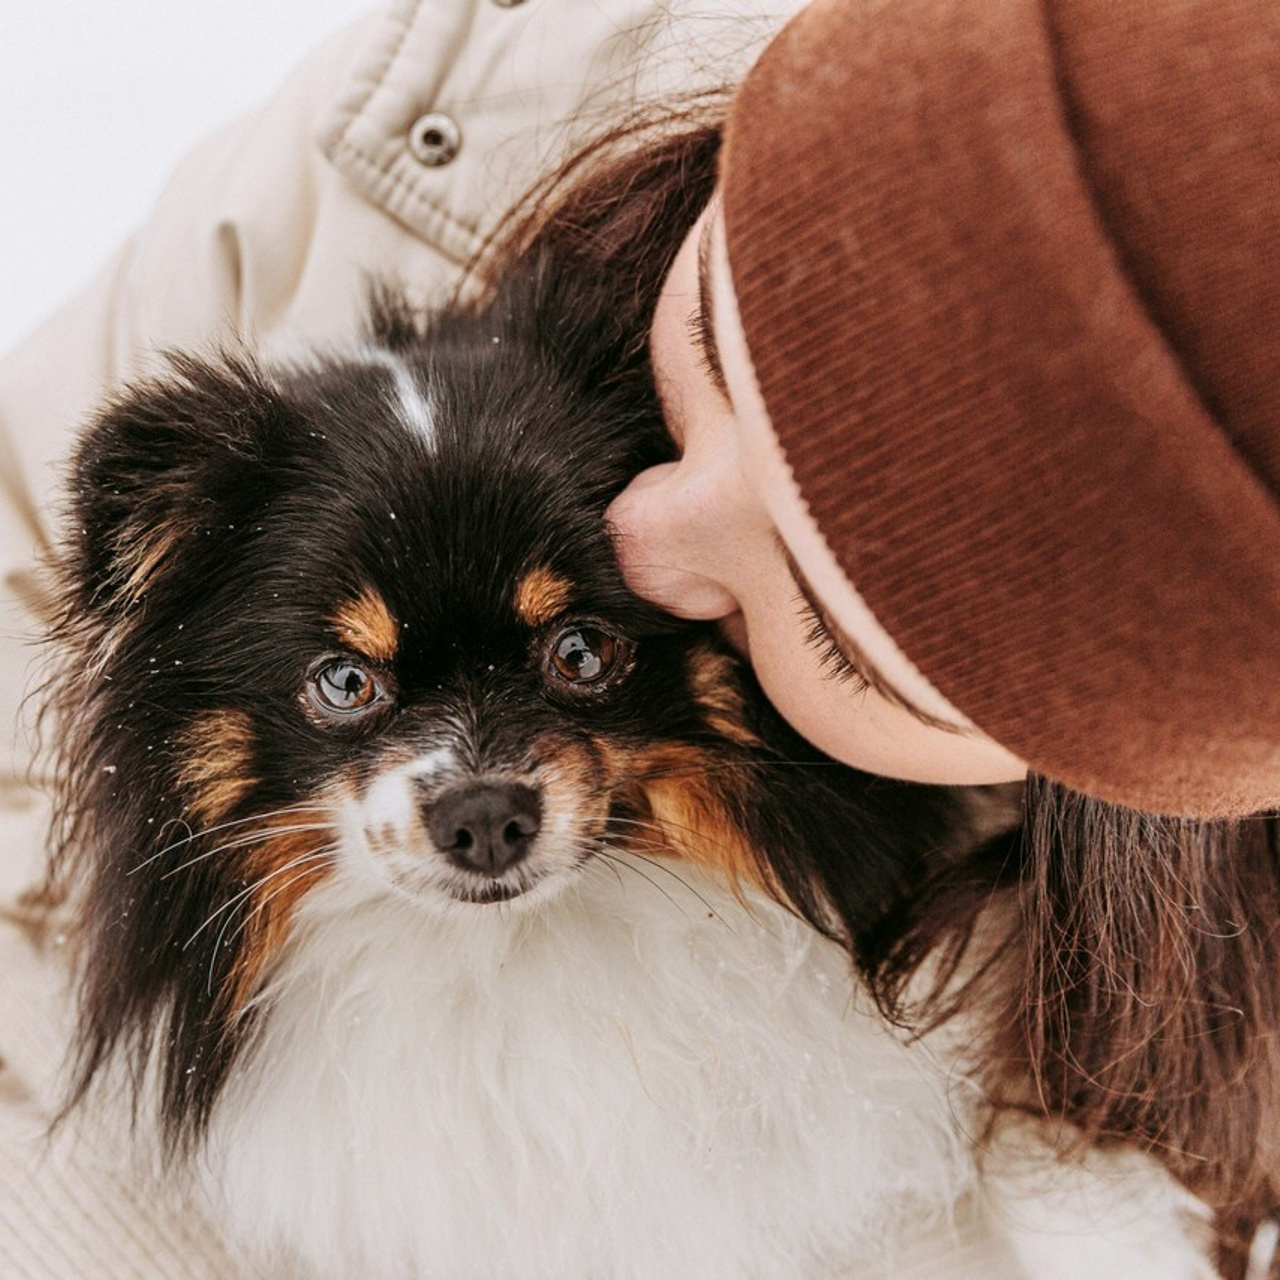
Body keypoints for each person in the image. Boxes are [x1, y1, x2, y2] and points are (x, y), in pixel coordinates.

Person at [603, 0, 1280, 1271]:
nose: (638, 531)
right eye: (709, 336)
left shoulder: (1122, 1198)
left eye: (823, 626)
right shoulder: (465, 100)